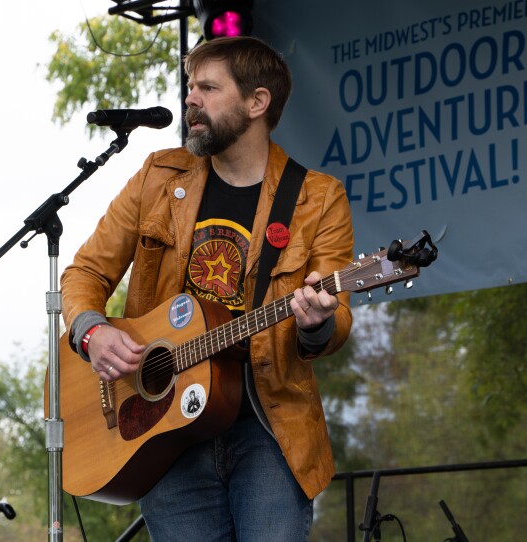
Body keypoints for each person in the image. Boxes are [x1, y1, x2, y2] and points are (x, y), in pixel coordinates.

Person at [61, 36, 354, 541]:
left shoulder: (317, 198)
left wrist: (317, 321)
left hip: (268, 431)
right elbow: (84, 272)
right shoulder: (158, 177)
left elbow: (335, 320)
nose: (190, 98)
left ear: (256, 102)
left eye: (208, 88)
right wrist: (93, 333)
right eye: (190, 86)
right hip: (162, 431)